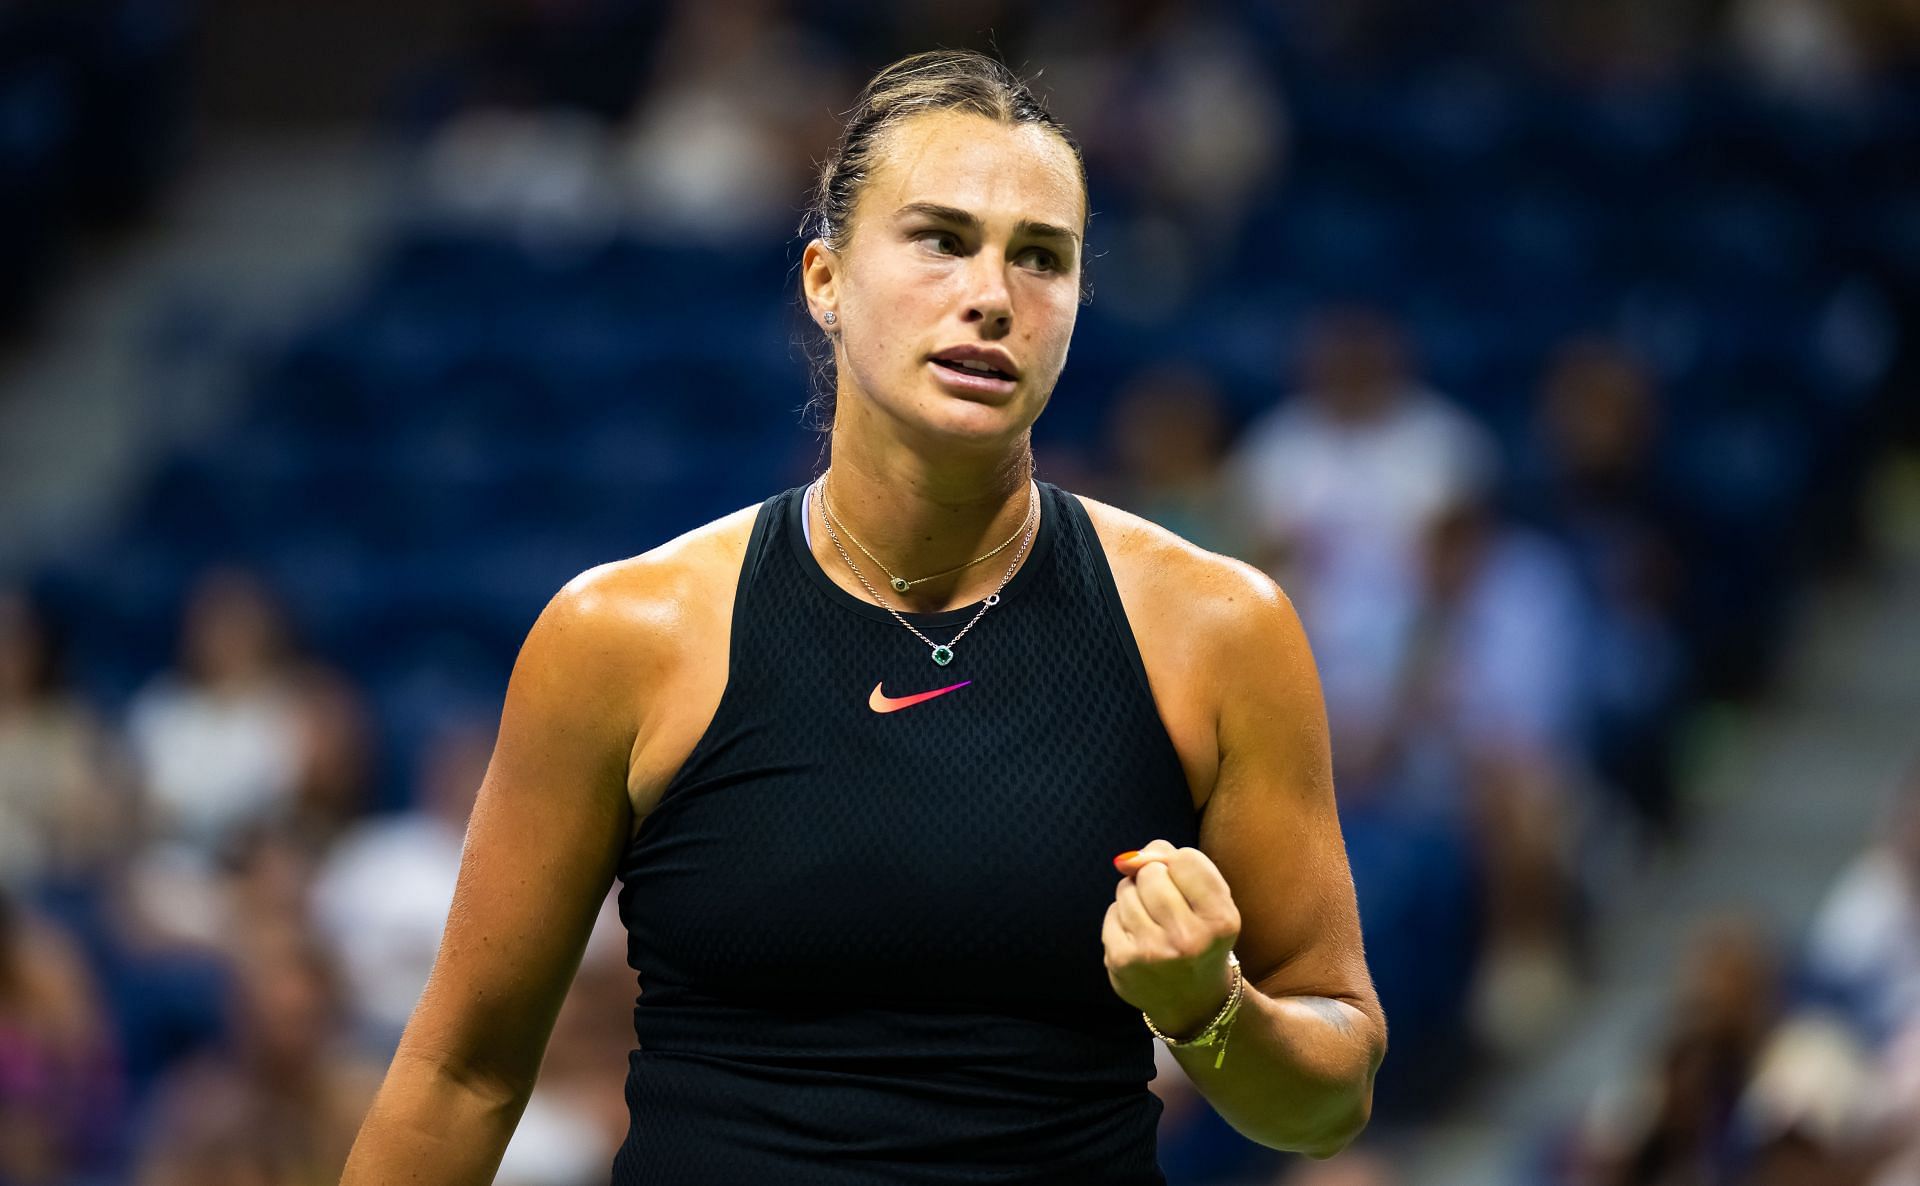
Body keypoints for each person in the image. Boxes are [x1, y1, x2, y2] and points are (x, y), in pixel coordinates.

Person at [341, 49, 1385, 1185]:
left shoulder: (1219, 629)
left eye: (1043, 257)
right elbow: (462, 1078)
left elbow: (1327, 1100)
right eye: (941, 239)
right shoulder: (621, 636)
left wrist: (1208, 1010)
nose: (992, 293)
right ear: (825, 279)